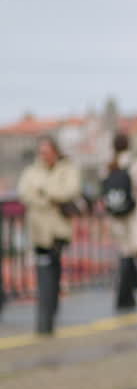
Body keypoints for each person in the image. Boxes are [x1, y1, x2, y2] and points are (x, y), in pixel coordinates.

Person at [17, 136, 82, 333]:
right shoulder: (31, 172)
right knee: (45, 270)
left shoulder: (68, 169)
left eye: (47, 152)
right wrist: (49, 198)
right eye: (41, 152)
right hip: (38, 230)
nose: (43, 156)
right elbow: (25, 193)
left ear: (55, 151)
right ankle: (45, 318)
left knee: (55, 268)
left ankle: (50, 310)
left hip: (59, 230)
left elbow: (69, 191)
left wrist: (44, 191)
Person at [103, 132, 137, 311]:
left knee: (125, 252)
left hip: (115, 214)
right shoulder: (135, 162)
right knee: (132, 252)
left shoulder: (109, 165)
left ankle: (128, 294)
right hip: (133, 212)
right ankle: (125, 294)